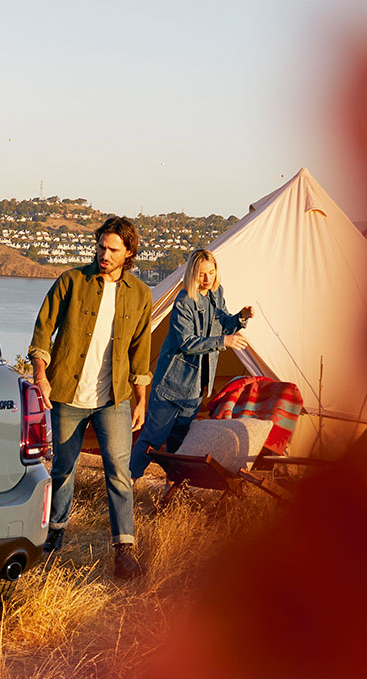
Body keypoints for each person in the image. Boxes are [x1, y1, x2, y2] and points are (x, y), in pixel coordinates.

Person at [29, 216, 152, 580]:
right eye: (101, 246)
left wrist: (141, 399)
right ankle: (52, 543)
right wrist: (40, 376)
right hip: (66, 393)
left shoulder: (140, 295)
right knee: (63, 470)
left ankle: (124, 553)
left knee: (119, 473)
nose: (104, 254)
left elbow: (140, 351)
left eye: (113, 249)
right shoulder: (71, 281)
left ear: (129, 252)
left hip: (113, 398)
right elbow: (42, 332)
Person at [129, 249, 253, 480]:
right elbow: (187, 343)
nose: (207, 279)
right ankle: (125, 484)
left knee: (180, 442)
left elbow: (222, 324)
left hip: (196, 387)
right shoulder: (184, 301)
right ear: (192, 275)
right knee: (153, 437)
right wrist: (224, 341)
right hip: (172, 384)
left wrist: (240, 318)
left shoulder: (216, 294)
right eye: (201, 274)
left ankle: (174, 487)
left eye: (211, 273)